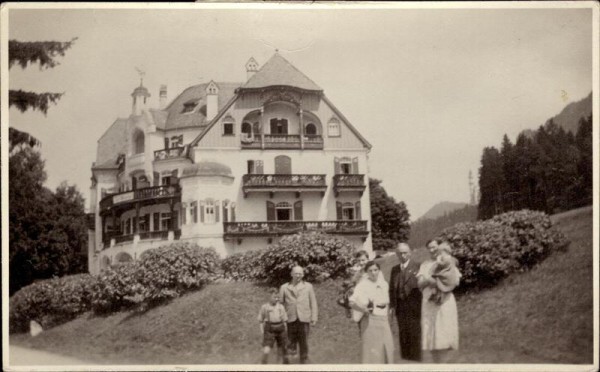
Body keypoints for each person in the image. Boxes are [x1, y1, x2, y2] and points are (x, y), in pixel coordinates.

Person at [417, 240, 461, 363]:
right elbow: (419, 283)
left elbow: (455, 281)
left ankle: (443, 364)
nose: (432, 250)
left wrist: (434, 281)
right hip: (429, 302)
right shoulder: (425, 265)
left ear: (440, 248)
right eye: (429, 248)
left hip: (444, 302)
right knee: (430, 335)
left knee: (443, 333)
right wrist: (430, 281)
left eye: (434, 247)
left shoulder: (449, 262)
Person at [349, 261, 395, 363]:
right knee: (371, 354)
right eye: (370, 271)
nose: (373, 273)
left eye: (375, 270)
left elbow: (386, 303)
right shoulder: (362, 285)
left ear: (379, 271)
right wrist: (363, 309)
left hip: (383, 321)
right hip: (370, 321)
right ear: (366, 272)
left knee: (388, 349)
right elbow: (351, 302)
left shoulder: (384, 284)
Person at [388, 242, 422, 362]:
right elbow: (391, 289)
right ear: (396, 254)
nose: (402, 255)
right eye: (400, 253)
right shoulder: (395, 270)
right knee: (403, 334)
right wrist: (392, 306)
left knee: (414, 333)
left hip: (414, 307)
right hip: (400, 307)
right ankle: (406, 360)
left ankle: (416, 360)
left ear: (410, 253)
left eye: (405, 253)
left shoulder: (418, 266)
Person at [279, 265, 318, 364]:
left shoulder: (308, 286)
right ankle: (291, 363)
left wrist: (314, 317)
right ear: (291, 274)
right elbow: (280, 305)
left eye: (300, 273)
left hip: (304, 318)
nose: (298, 276)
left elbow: (313, 302)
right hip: (290, 319)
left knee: (304, 343)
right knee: (290, 342)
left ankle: (303, 362)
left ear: (303, 275)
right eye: (296, 273)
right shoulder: (284, 287)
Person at [257, 289, 289, 364]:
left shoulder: (281, 307)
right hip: (269, 329)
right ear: (269, 297)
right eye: (275, 297)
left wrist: (285, 331)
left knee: (282, 347)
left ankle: (281, 363)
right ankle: (263, 362)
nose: (277, 299)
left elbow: (285, 320)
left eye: (278, 297)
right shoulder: (265, 307)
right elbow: (260, 320)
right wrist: (262, 331)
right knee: (267, 348)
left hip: (281, 328)